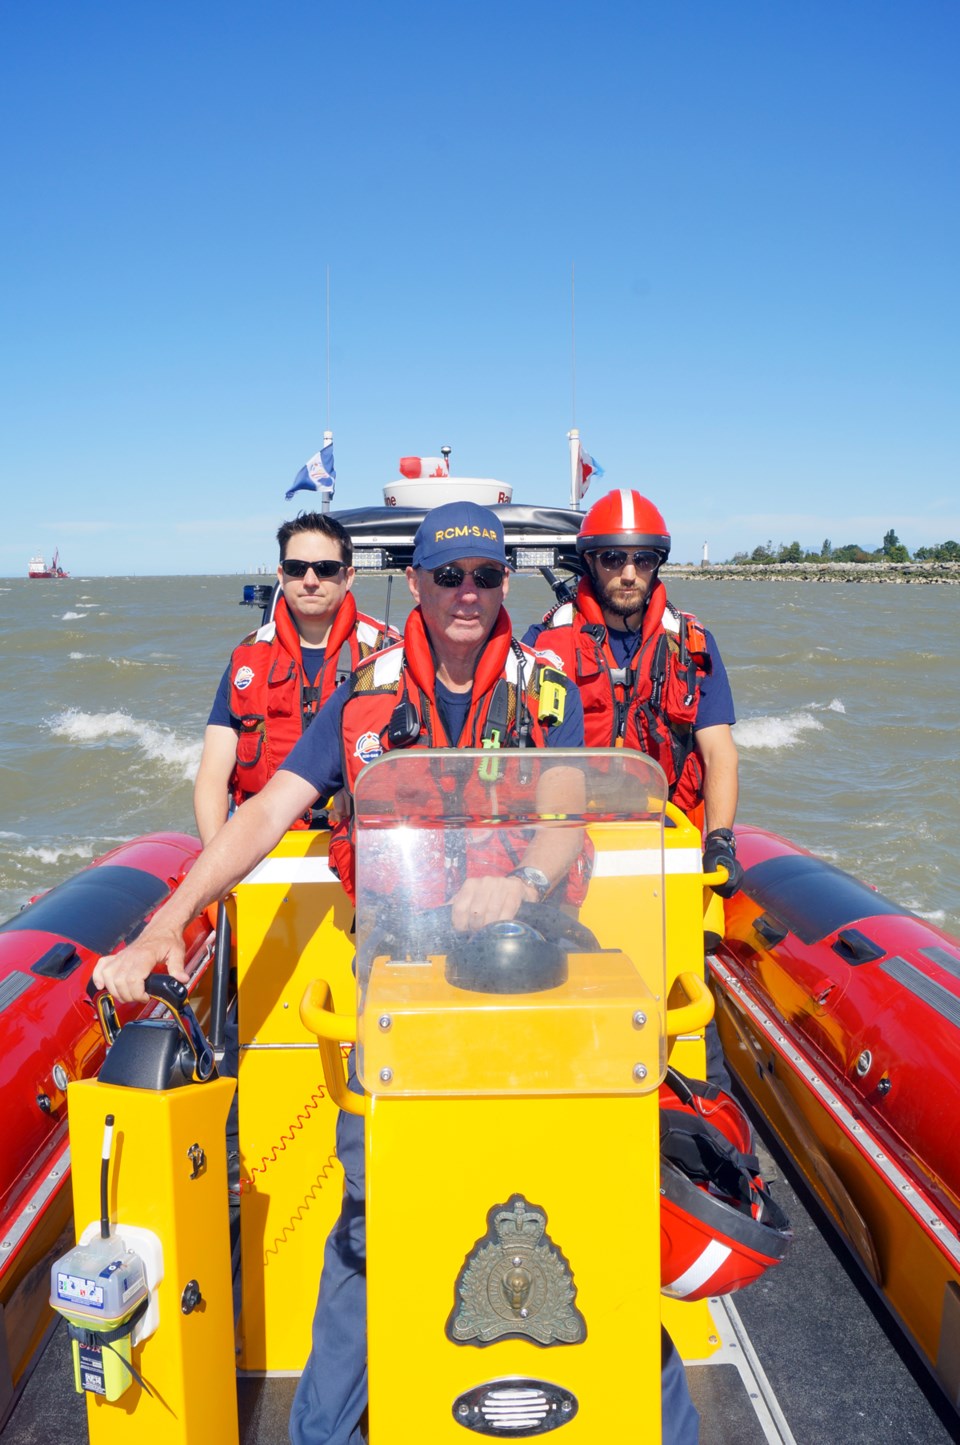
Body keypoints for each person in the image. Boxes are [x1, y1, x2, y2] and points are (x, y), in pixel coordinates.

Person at [93, 500, 700, 1445]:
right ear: (413, 582)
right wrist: (169, 918)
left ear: (507, 586)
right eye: (449, 575)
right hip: (402, 988)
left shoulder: (546, 685)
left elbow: (567, 809)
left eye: (488, 576)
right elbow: (261, 815)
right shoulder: (363, 690)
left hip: (532, 978)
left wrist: (525, 883)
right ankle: (323, 1435)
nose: (469, 594)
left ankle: (659, 1426)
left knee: (596, 1198)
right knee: (369, 1220)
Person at [524, 488, 743, 1095]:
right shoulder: (543, 646)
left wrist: (720, 841)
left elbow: (717, 750)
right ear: (589, 562)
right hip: (572, 854)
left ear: (658, 565)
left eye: (643, 560)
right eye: (614, 559)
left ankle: (705, 1130)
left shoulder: (691, 645)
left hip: (666, 850)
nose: (628, 573)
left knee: (688, 1015)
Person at [193, 510, 397, 844]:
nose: (311, 580)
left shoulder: (388, 654)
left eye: (326, 569)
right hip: (262, 848)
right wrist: (217, 867)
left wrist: (360, 789)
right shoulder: (246, 658)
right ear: (281, 574)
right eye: (296, 568)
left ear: (349, 576)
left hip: (362, 847)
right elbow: (212, 778)